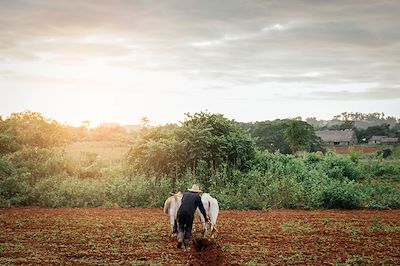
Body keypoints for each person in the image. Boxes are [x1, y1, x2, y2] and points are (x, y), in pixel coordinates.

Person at [177, 184, 208, 250]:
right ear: (197, 191)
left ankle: (180, 238)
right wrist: (205, 217)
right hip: (189, 214)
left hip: (180, 212)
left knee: (181, 226)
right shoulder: (197, 197)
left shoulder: (185, 194)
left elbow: (183, 202)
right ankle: (186, 246)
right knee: (188, 228)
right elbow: (201, 208)